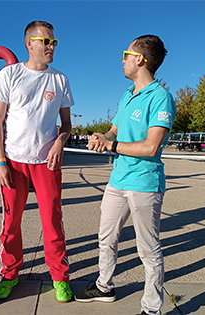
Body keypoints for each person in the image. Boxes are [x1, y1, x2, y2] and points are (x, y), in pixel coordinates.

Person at [74, 35, 176, 315]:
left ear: (140, 59)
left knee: (148, 248)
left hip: (145, 183)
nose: (122, 60)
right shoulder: (126, 95)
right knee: (106, 238)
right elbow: (114, 131)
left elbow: (151, 146)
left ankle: (152, 307)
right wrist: (101, 137)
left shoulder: (160, 97)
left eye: (126, 54)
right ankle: (104, 286)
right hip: (118, 181)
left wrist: (112, 145)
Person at [0, 20, 74, 302]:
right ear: (30, 44)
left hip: (46, 163)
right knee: (11, 223)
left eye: (54, 42)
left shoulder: (60, 79)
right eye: (46, 41)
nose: (51, 46)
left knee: (52, 220)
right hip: (13, 161)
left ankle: (59, 277)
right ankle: (10, 274)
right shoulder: (9, 74)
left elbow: (67, 125)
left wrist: (60, 142)